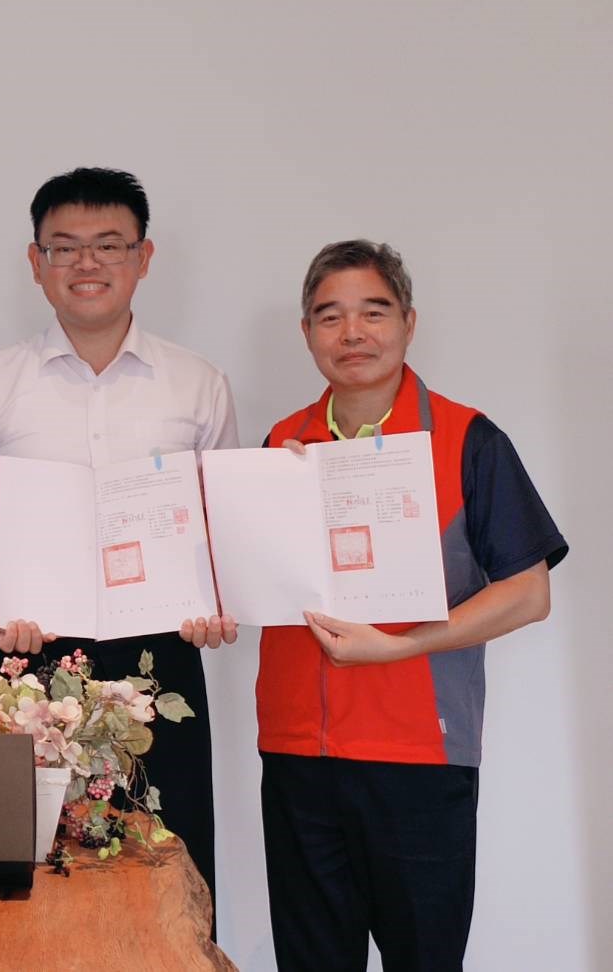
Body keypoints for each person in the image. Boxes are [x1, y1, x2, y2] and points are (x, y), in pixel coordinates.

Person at [257, 240, 566, 972]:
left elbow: (528, 592)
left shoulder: (466, 439)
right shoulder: (278, 445)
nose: (351, 333)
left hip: (418, 755)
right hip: (297, 753)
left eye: (372, 311)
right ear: (305, 333)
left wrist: (399, 646)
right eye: (328, 317)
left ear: (408, 322)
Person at [0, 166, 239, 906]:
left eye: (109, 244)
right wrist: (1, 590)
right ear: (34, 262)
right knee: (15, 872)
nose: (87, 263)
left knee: (168, 871)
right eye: (64, 247)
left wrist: (213, 596)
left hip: (159, 657)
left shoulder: (197, 384)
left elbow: (224, 522)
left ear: (144, 257)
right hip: (22, 657)